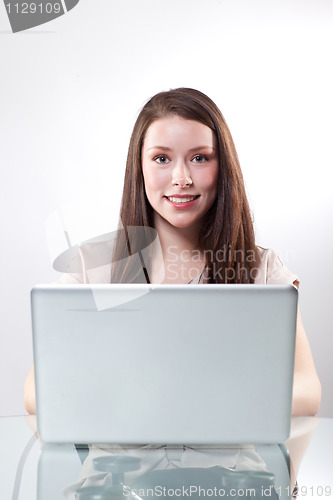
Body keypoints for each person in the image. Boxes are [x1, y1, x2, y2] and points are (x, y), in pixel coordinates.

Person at [24, 87, 321, 417]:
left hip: (231, 462)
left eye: (199, 158)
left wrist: (196, 401)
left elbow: (307, 390)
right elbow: (36, 391)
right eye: (161, 159)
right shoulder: (91, 266)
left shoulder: (262, 270)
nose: (181, 178)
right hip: (122, 461)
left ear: (222, 167)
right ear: (140, 167)